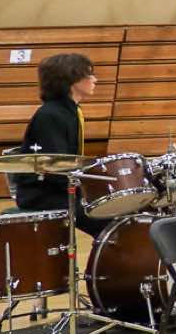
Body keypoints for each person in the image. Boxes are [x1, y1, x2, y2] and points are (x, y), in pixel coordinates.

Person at [10, 54, 109, 240]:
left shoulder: (71, 111)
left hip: (63, 192)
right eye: (89, 74)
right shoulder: (50, 115)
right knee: (114, 220)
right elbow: (56, 168)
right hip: (45, 196)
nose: (95, 79)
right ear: (71, 79)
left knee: (118, 211)